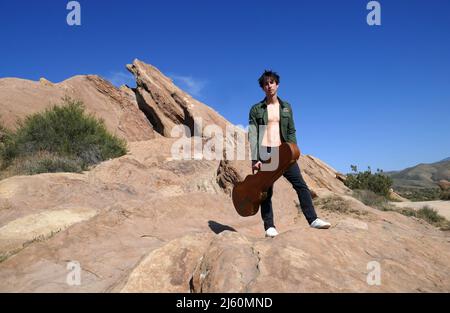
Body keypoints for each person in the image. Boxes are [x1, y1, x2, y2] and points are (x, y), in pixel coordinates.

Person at [248, 70, 331, 237]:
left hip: (284, 151)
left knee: (300, 185)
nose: (269, 86)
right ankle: (269, 227)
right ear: (262, 88)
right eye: (265, 83)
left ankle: (313, 219)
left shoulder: (286, 107)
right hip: (266, 151)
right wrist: (256, 158)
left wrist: (293, 148)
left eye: (271, 82)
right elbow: (253, 134)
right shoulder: (256, 109)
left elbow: (291, 129)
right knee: (266, 191)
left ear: (277, 84)